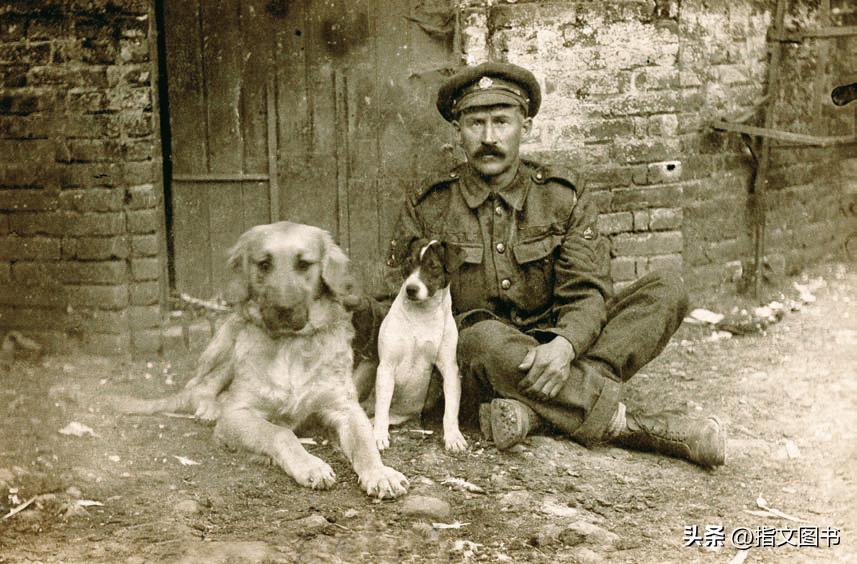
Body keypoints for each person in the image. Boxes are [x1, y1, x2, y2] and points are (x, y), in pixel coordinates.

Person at [354, 62, 725, 468]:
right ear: (458, 131)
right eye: (476, 123)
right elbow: (394, 300)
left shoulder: (562, 194)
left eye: (501, 121)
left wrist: (565, 345)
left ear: (525, 127)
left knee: (667, 288)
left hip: (557, 343)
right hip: (479, 359)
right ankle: (631, 425)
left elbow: (587, 288)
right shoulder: (429, 205)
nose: (489, 137)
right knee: (484, 340)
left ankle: (536, 411)